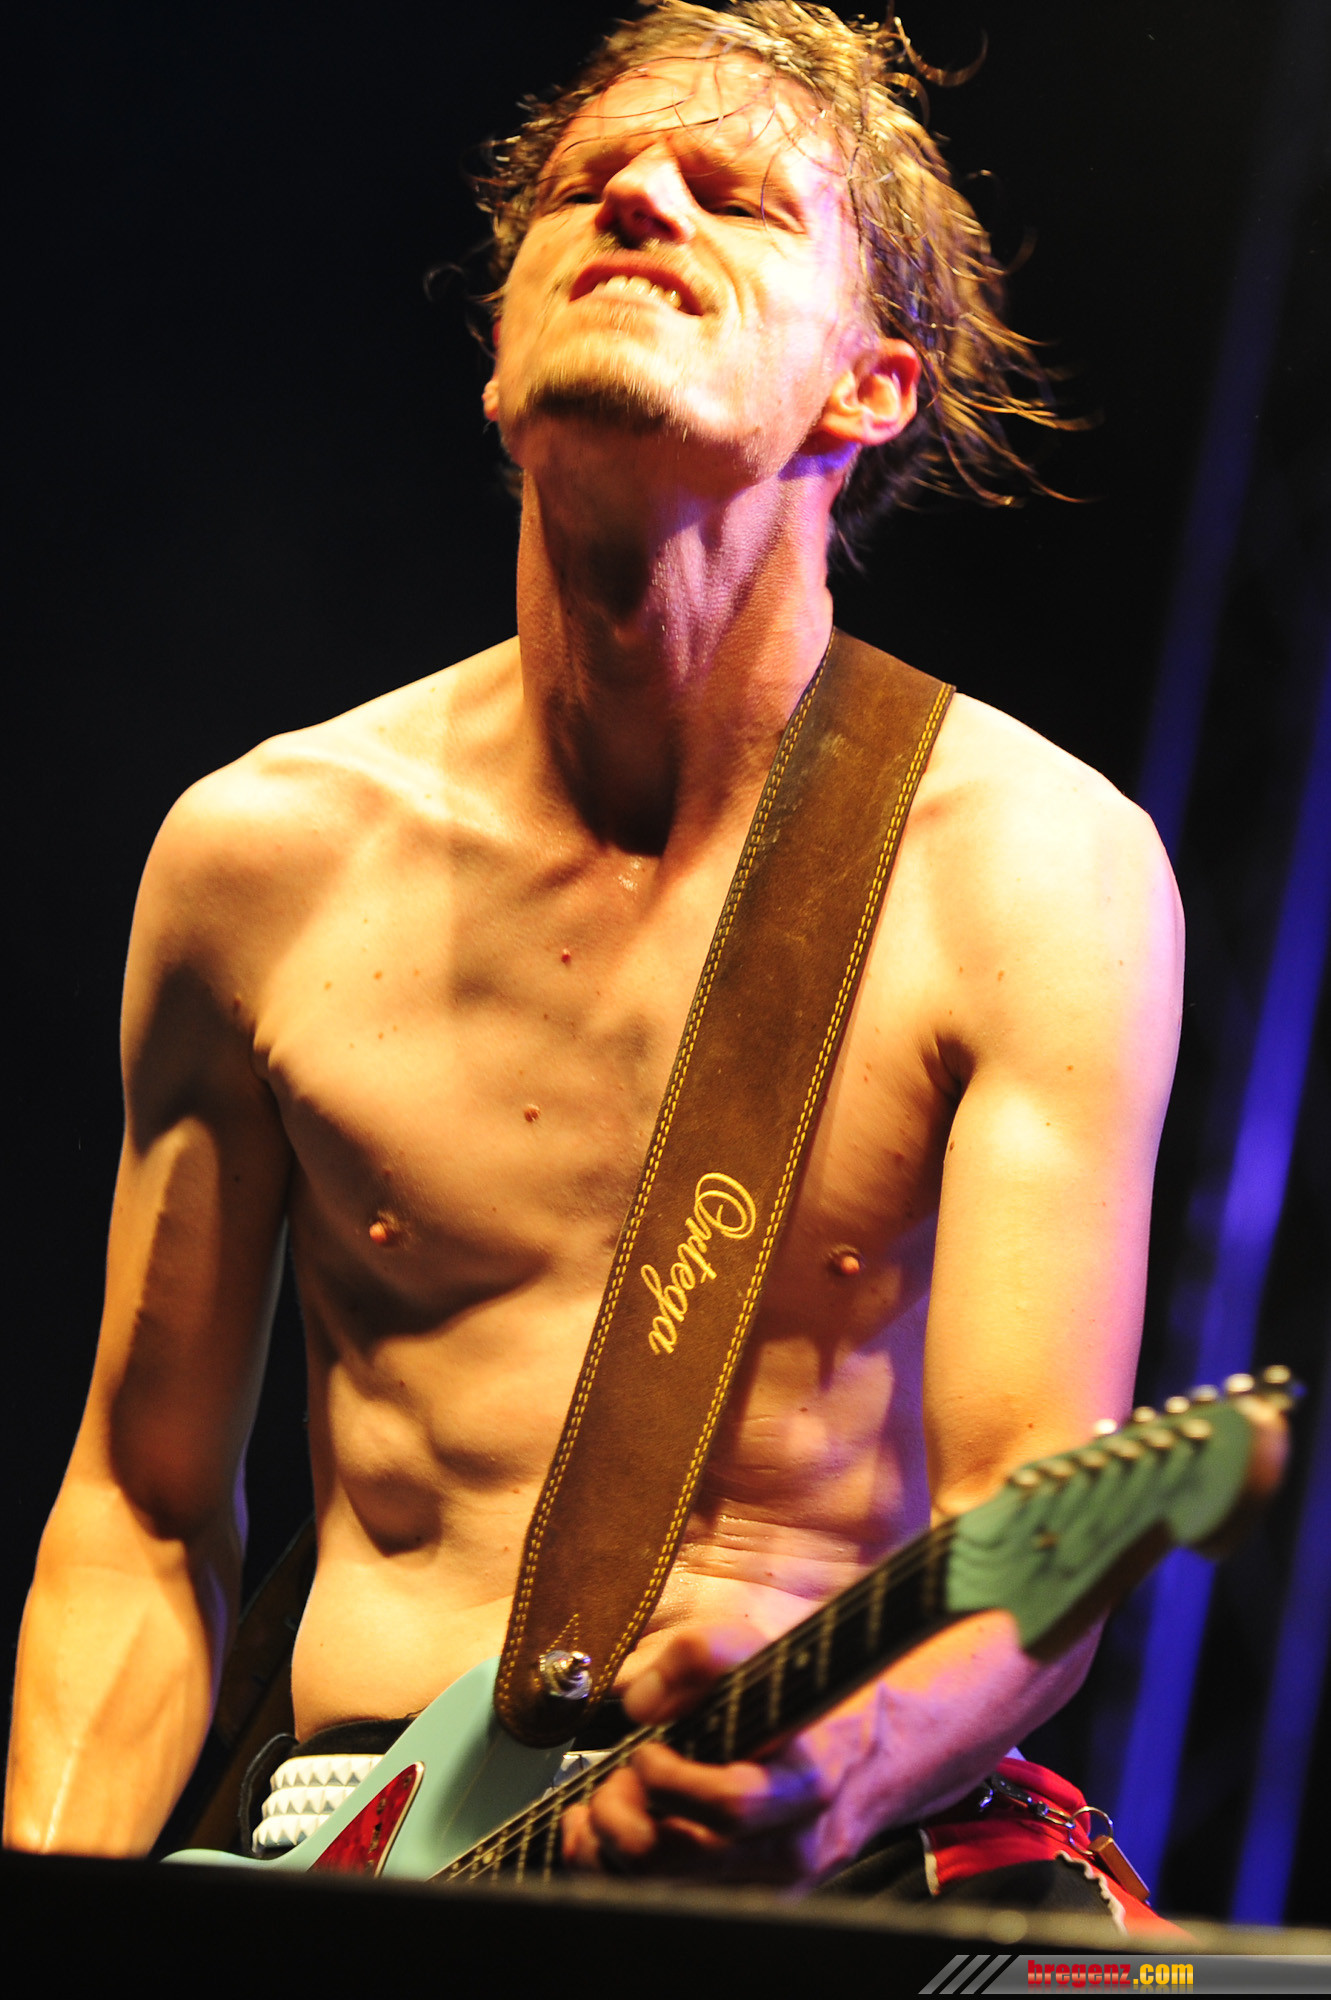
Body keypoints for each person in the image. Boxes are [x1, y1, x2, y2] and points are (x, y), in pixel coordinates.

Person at [5, 1, 1182, 1903]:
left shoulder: (1037, 868)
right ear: (497, 362)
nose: (639, 200)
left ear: (869, 388)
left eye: (734, 197)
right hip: (350, 1848)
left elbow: (1037, 1535)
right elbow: (139, 1520)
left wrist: (842, 1768)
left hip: (820, 1849)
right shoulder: (260, 859)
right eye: (585, 186)